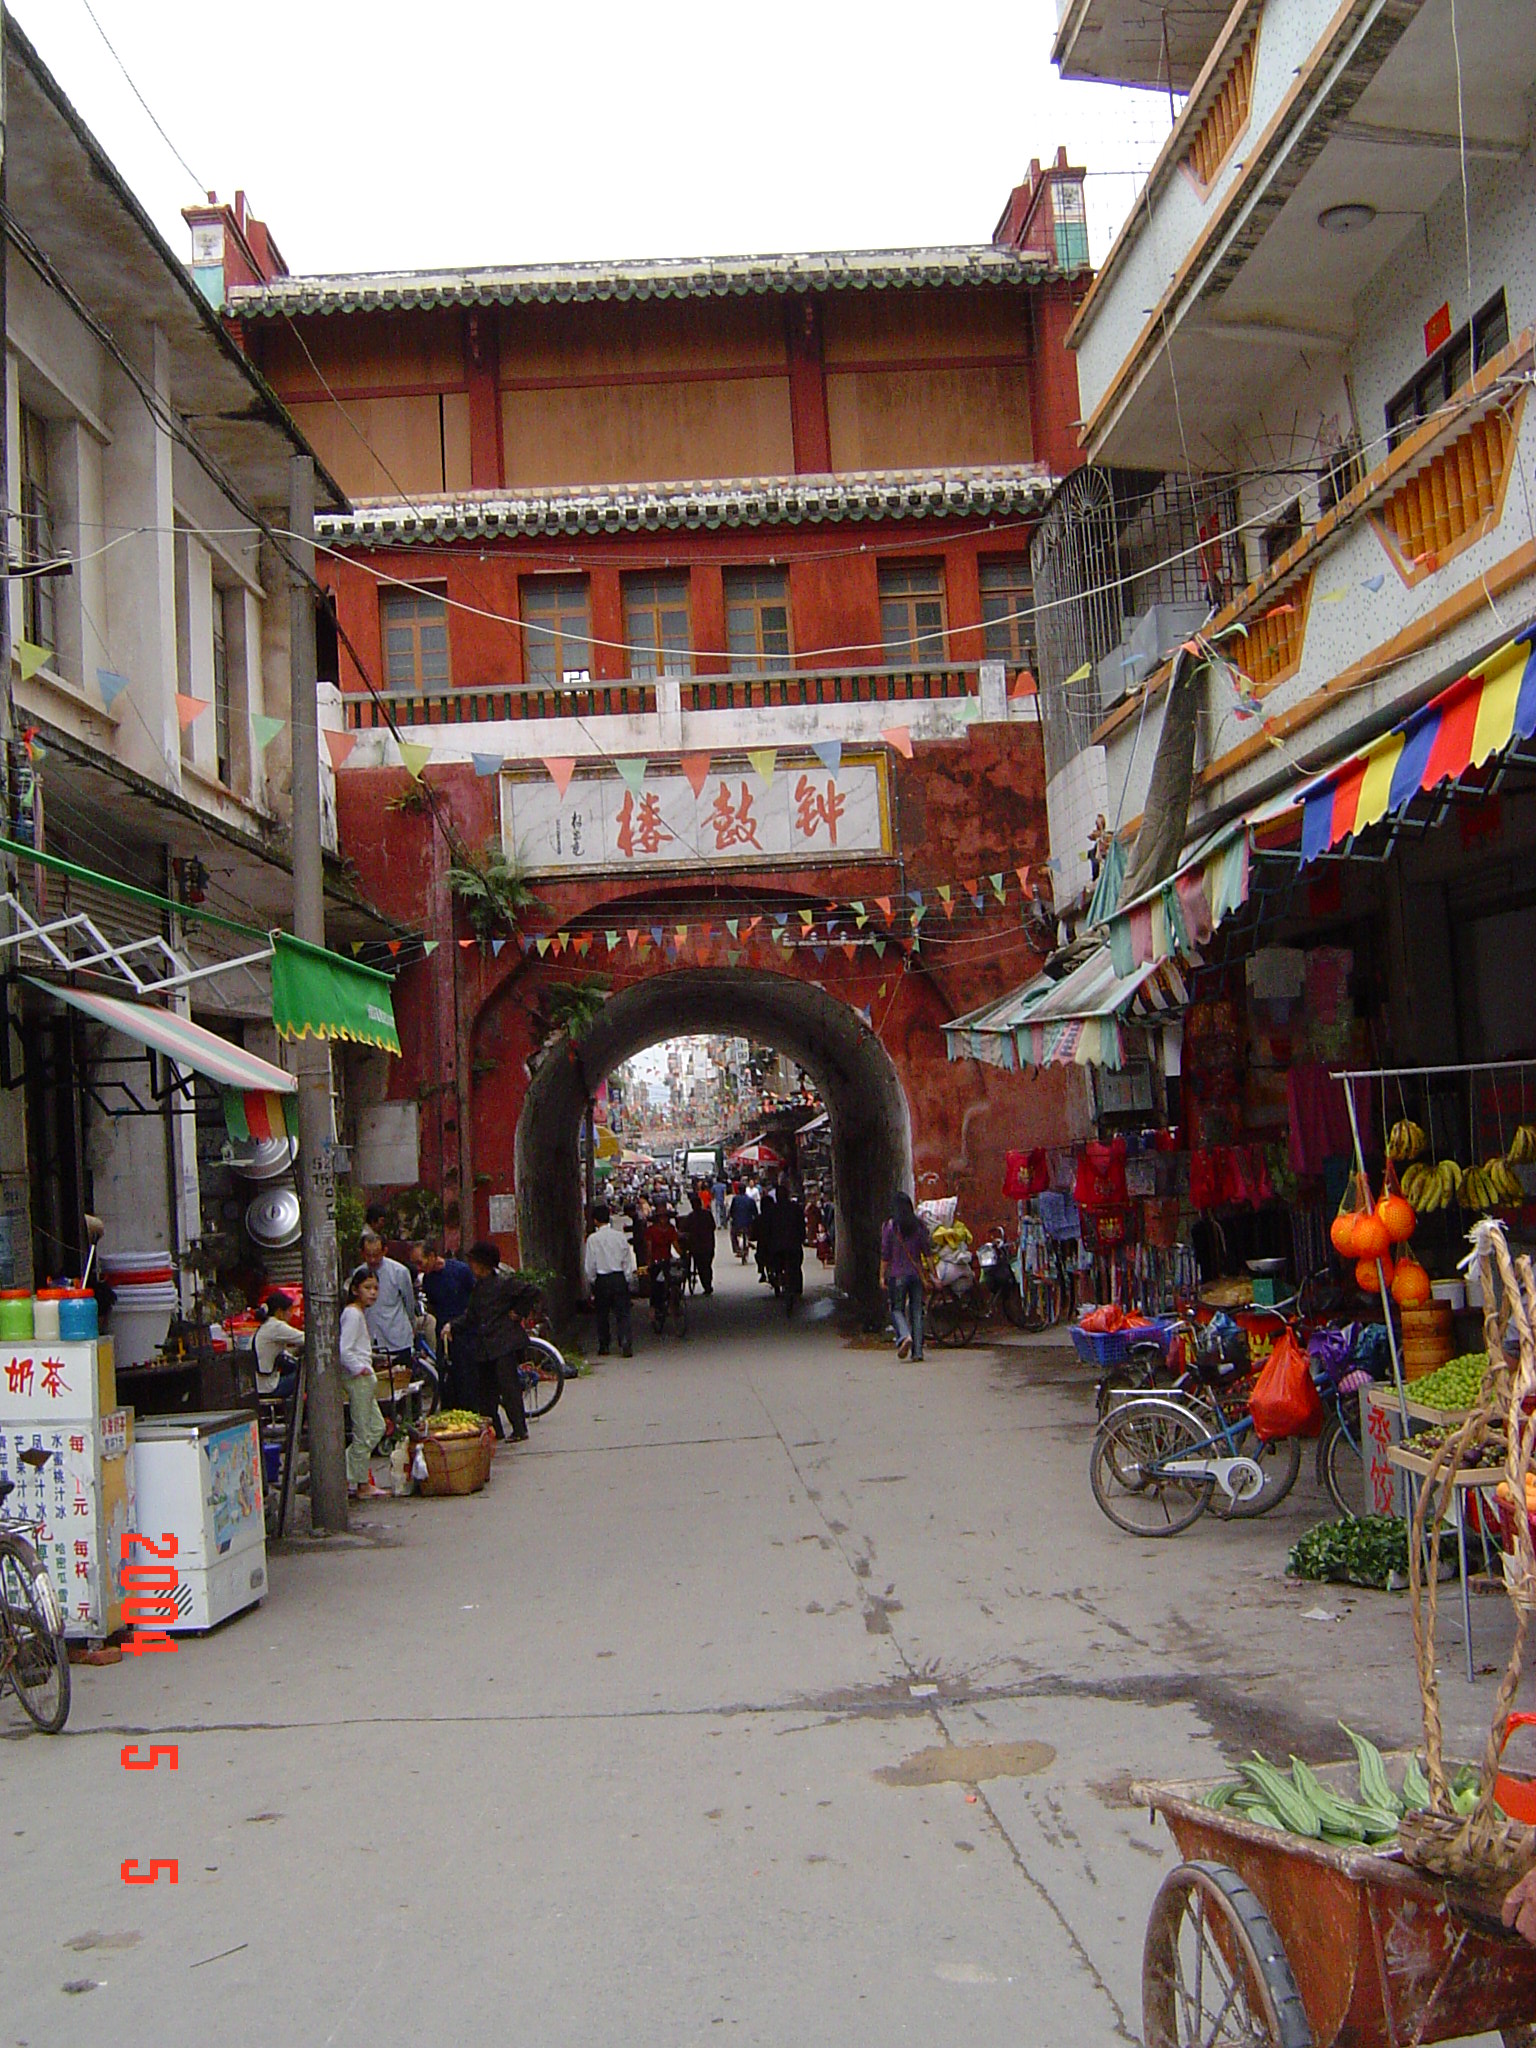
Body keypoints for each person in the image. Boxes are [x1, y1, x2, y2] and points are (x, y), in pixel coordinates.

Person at [453, 1241, 535, 1440]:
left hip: (503, 1343)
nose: (471, 1266)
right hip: (485, 1345)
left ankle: (519, 1429)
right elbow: (472, 1316)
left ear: (483, 1264)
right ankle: (494, 1430)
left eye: (473, 1262)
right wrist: (452, 1326)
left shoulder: (504, 1283)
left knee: (508, 1388)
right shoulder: (478, 1287)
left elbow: (531, 1292)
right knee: (486, 1391)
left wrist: (518, 1312)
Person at [339, 1268, 389, 1499]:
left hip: (365, 1377)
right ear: (355, 1289)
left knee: (377, 1427)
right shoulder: (352, 1314)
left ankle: (346, 1470)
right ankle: (360, 1482)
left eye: (376, 1288)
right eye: (367, 1288)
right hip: (358, 1378)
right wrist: (359, 1368)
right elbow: (344, 1350)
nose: (373, 1293)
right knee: (363, 1431)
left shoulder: (359, 1313)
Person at [358, 1230, 418, 1384]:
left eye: (376, 1255)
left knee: (402, 1383)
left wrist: (412, 1327)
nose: (372, 1259)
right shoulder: (359, 1274)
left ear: (384, 1251)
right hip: (372, 1340)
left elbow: (409, 1303)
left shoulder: (399, 1272)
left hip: (397, 1337)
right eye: (368, 1255)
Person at [420, 1239, 474, 1399]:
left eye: (420, 1262)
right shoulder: (428, 1280)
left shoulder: (460, 1271)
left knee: (467, 1382)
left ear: (431, 1256)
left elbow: (475, 1300)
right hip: (443, 1335)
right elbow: (433, 1305)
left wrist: (457, 1323)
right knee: (447, 1382)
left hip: (465, 1332)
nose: (419, 1267)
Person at [880, 1191, 931, 1361]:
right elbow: (927, 1252)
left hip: (897, 1275)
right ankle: (918, 1352)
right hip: (916, 1275)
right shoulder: (919, 1226)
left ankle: (904, 1335)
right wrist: (933, 1275)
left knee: (897, 1309)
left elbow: (885, 1255)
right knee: (916, 1311)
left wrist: (881, 1276)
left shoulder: (890, 1226)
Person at [584, 1202, 636, 1357]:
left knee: (602, 1314)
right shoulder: (619, 1237)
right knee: (623, 1313)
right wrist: (627, 1277)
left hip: (602, 1279)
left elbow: (590, 1264)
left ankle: (604, 1345)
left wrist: (593, 1280)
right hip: (618, 1277)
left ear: (595, 1220)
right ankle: (625, 1341)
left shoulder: (593, 1239)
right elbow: (627, 1259)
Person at [252, 1291, 304, 1404]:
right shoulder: (276, 1326)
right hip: (269, 1387)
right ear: (279, 1312)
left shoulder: (265, 1326)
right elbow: (306, 1339)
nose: (291, 1314)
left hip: (259, 1385)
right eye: (289, 1311)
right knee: (308, 1374)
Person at [647, 1204, 682, 1326]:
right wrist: (649, 1261)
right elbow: (649, 1248)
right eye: (661, 1217)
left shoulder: (671, 1229)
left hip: (667, 1260)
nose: (663, 1219)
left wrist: (682, 1255)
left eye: (665, 1217)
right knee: (655, 1287)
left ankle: (672, 1303)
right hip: (656, 1262)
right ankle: (654, 1308)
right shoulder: (651, 1230)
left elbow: (675, 1244)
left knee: (673, 1280)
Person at [681, 1189, 715, 1296]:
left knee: (701, 1266)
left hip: (697, 1247)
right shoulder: (707, 1214)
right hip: (708, 1244)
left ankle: (706, 1285)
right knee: (707, 1265)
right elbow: (713, 1226)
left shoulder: (691, 1217)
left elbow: (684, 1229)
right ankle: (708, 1284)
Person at [728, 1182, 756, 1262]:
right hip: (748, 1224)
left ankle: (737, 1249)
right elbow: (755, 1213)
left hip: (737, 1224)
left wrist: (730, 1217)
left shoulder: (735, 1199)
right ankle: (749, 1242)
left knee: (733, 1234)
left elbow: (732, 1211)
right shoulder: (750, 1200)